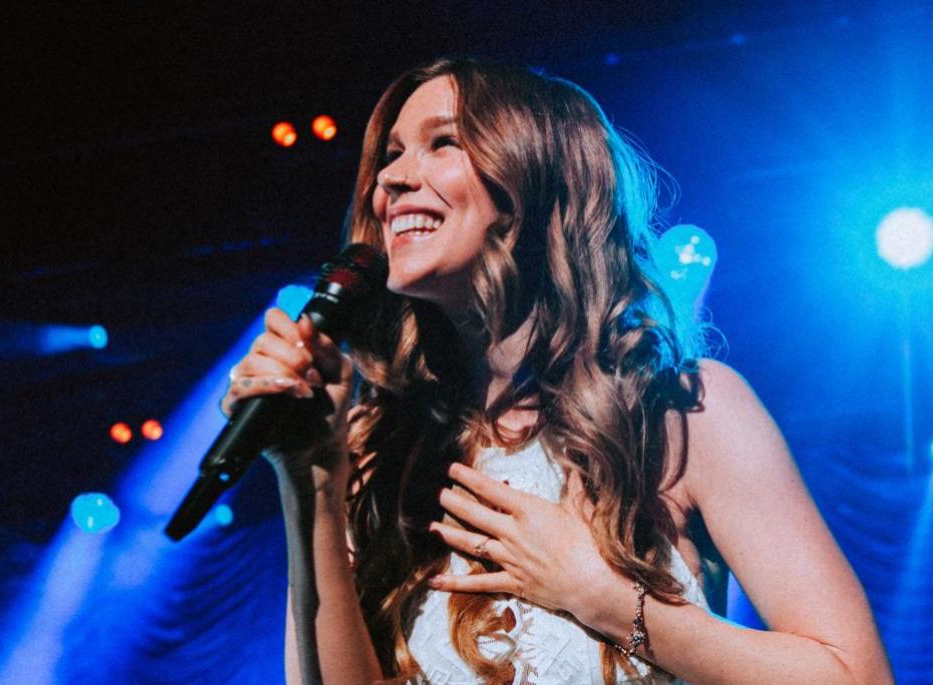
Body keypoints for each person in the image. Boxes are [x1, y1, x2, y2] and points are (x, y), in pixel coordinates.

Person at [224, 56, 891, 685]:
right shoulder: (379, 445)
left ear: (535, 180)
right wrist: (310, 481)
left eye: (442, 143)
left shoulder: (683, 412)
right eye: (392, 154)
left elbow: (852, 672)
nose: (390, 180)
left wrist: (601, 597)